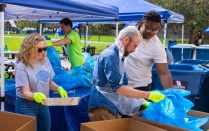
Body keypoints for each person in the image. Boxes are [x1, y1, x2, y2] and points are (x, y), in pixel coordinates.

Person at [88, 26, 166, 122]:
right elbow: (118, 89)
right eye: (135, 46)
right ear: (126, 40)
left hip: (112, 106)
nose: (134, 50)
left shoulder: (119, 57)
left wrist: (142, 101)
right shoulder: (110, 56)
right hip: (102, 108)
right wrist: (148, 95)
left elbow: (125, 85)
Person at [15, 33, 68, 131]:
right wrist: (35, 95)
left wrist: (58, 88)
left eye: (44, 49)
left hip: (44, 104)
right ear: (29, 49)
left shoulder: (45, 61)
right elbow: (25, 92)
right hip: (27, 105)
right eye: (39, 49)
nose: (42, 52)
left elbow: (49, 82)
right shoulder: (21, 66)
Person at [124, 11, 173, 91]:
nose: (152, 33)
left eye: (156, 30)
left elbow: (164, 73)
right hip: (120, 85)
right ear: (141, 23)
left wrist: (171, 95)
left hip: (139, 88)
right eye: (149, 28)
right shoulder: (128, 33)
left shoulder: (157, 47)